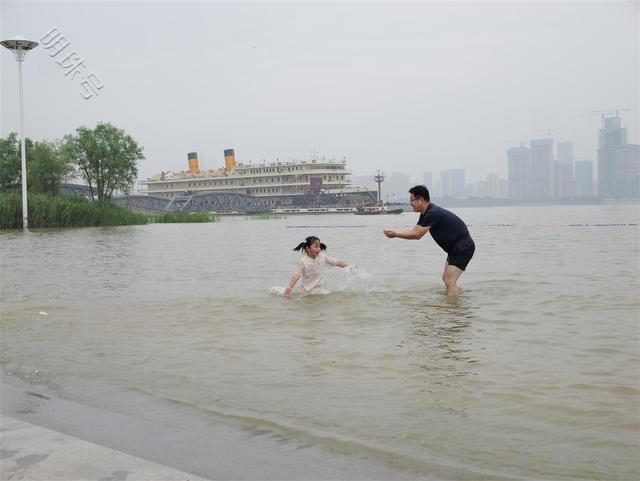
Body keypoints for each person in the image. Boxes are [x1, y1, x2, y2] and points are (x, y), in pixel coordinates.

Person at [383, 185, 475, 296]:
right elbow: (415, 231)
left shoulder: (432, 212)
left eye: (412, 200)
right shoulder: (425, 213)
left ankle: (453, 309)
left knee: (449, 280)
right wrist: (395, 233)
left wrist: (396, 234)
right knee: (447, 279)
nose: (410, 204)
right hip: (455, 248)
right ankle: (458, 300)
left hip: (463, 247)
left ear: (420, 199)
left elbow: (417, 235)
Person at [283, 236, 350, 297]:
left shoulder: (322, 257)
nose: (319, 249)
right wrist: (290, 287)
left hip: (320, 287)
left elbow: (335, 261)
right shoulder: (303, 261)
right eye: (316, 247)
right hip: (307, 289)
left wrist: (349, 266)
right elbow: (297, 274)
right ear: (308, 248)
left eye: (319, 247)